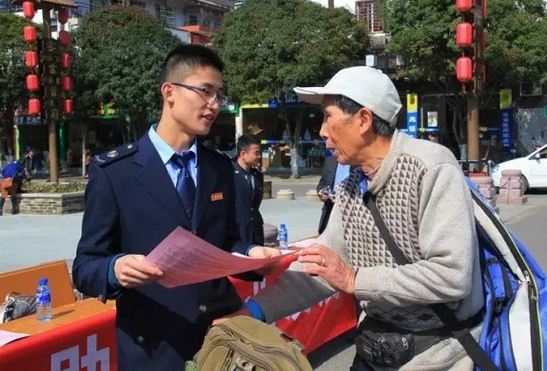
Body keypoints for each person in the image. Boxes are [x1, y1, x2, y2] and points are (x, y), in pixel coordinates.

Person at [220, 66, 483, 370]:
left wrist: (355, 279)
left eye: (327, 116)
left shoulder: (431, 168)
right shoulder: (349, 185)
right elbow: (320, 269)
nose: (321, 130)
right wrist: (252, 311)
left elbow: (452, 275)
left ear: (363, 120)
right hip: (376, 348)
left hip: (437, 354)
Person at [72, 44, 279, 371]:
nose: (213, 105)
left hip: (221, 338)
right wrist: (115, 268)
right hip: (154, 344)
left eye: (218, 95)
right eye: (205, 92)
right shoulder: (115, 172)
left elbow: (228, 242)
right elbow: (85, 265)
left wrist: (253, 253)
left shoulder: (219, 168)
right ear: (169, 92)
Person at [232, 133, 265, 247]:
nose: (259, 156)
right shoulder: (229, 174)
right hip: (237, 231)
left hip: (255, 231)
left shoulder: (257, 175)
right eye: (256, 153)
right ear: (243, 154)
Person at [316, 154, 352, 234]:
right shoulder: (330, 161)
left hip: (349, 211)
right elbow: (322, 184)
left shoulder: (357, 162)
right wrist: (321, 192)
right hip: (330, 209)